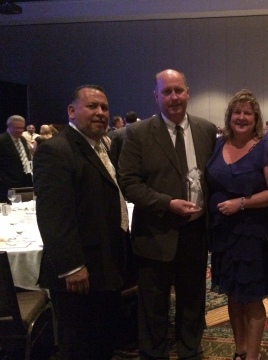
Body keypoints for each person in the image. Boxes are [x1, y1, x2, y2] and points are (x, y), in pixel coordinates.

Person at [118, 69, 217, 360]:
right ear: (156, 96)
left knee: (193, 299)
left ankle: (189, 350)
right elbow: (129, 183)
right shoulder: (136, 133)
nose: (174, 97)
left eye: (178, 90)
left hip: (196, 233)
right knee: (153, 304)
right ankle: (153, 353)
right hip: (155, 232)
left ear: (188, 92)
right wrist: (166, 203)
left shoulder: (206, 130)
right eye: (166, 92)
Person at [33, 85, 129, 360]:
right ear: (72, 111)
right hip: (79, 272)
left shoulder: (100, 147)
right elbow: (54, 217)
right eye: (92, 106)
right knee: (80, 345)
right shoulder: (56, 150)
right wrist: (72, 266)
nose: (100, 113)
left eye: (105, 108)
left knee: (100, 340)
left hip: (103, 264)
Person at [205, 89, 268, 360]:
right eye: (237, 112)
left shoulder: (266, 148)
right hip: (223, 233)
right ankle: (239, 350)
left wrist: (241, 203)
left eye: (247, 113)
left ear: (256, 118)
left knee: (252, 298)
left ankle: (252, 356)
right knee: (231, 293)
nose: (241, 117)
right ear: (229, 117)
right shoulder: (218, 144)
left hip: (252, 233)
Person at [0, 115, 33, 203]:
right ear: (9, 126)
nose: (20, 131)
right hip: (7, 185)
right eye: (17, 128)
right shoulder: (2, 140)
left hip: (24, 183)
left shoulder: (22, 139)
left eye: (22, 128)